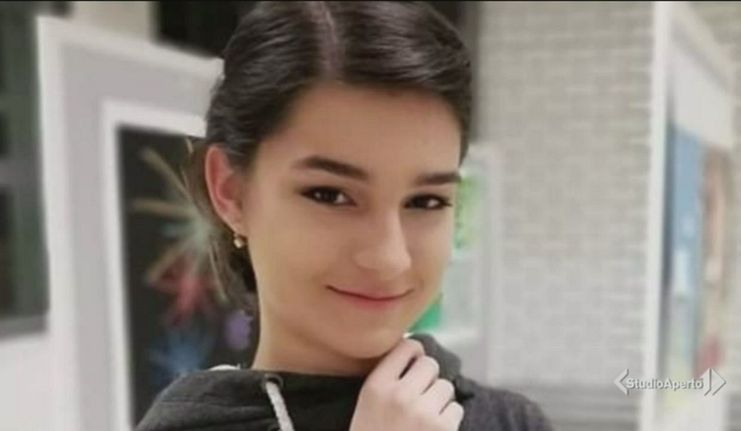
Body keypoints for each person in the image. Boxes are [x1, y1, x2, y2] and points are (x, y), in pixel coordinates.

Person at [137, 2, 553, 430]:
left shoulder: (508, 422)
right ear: (231, 191)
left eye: (425, 201)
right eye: (331, 195)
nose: (390, 258)